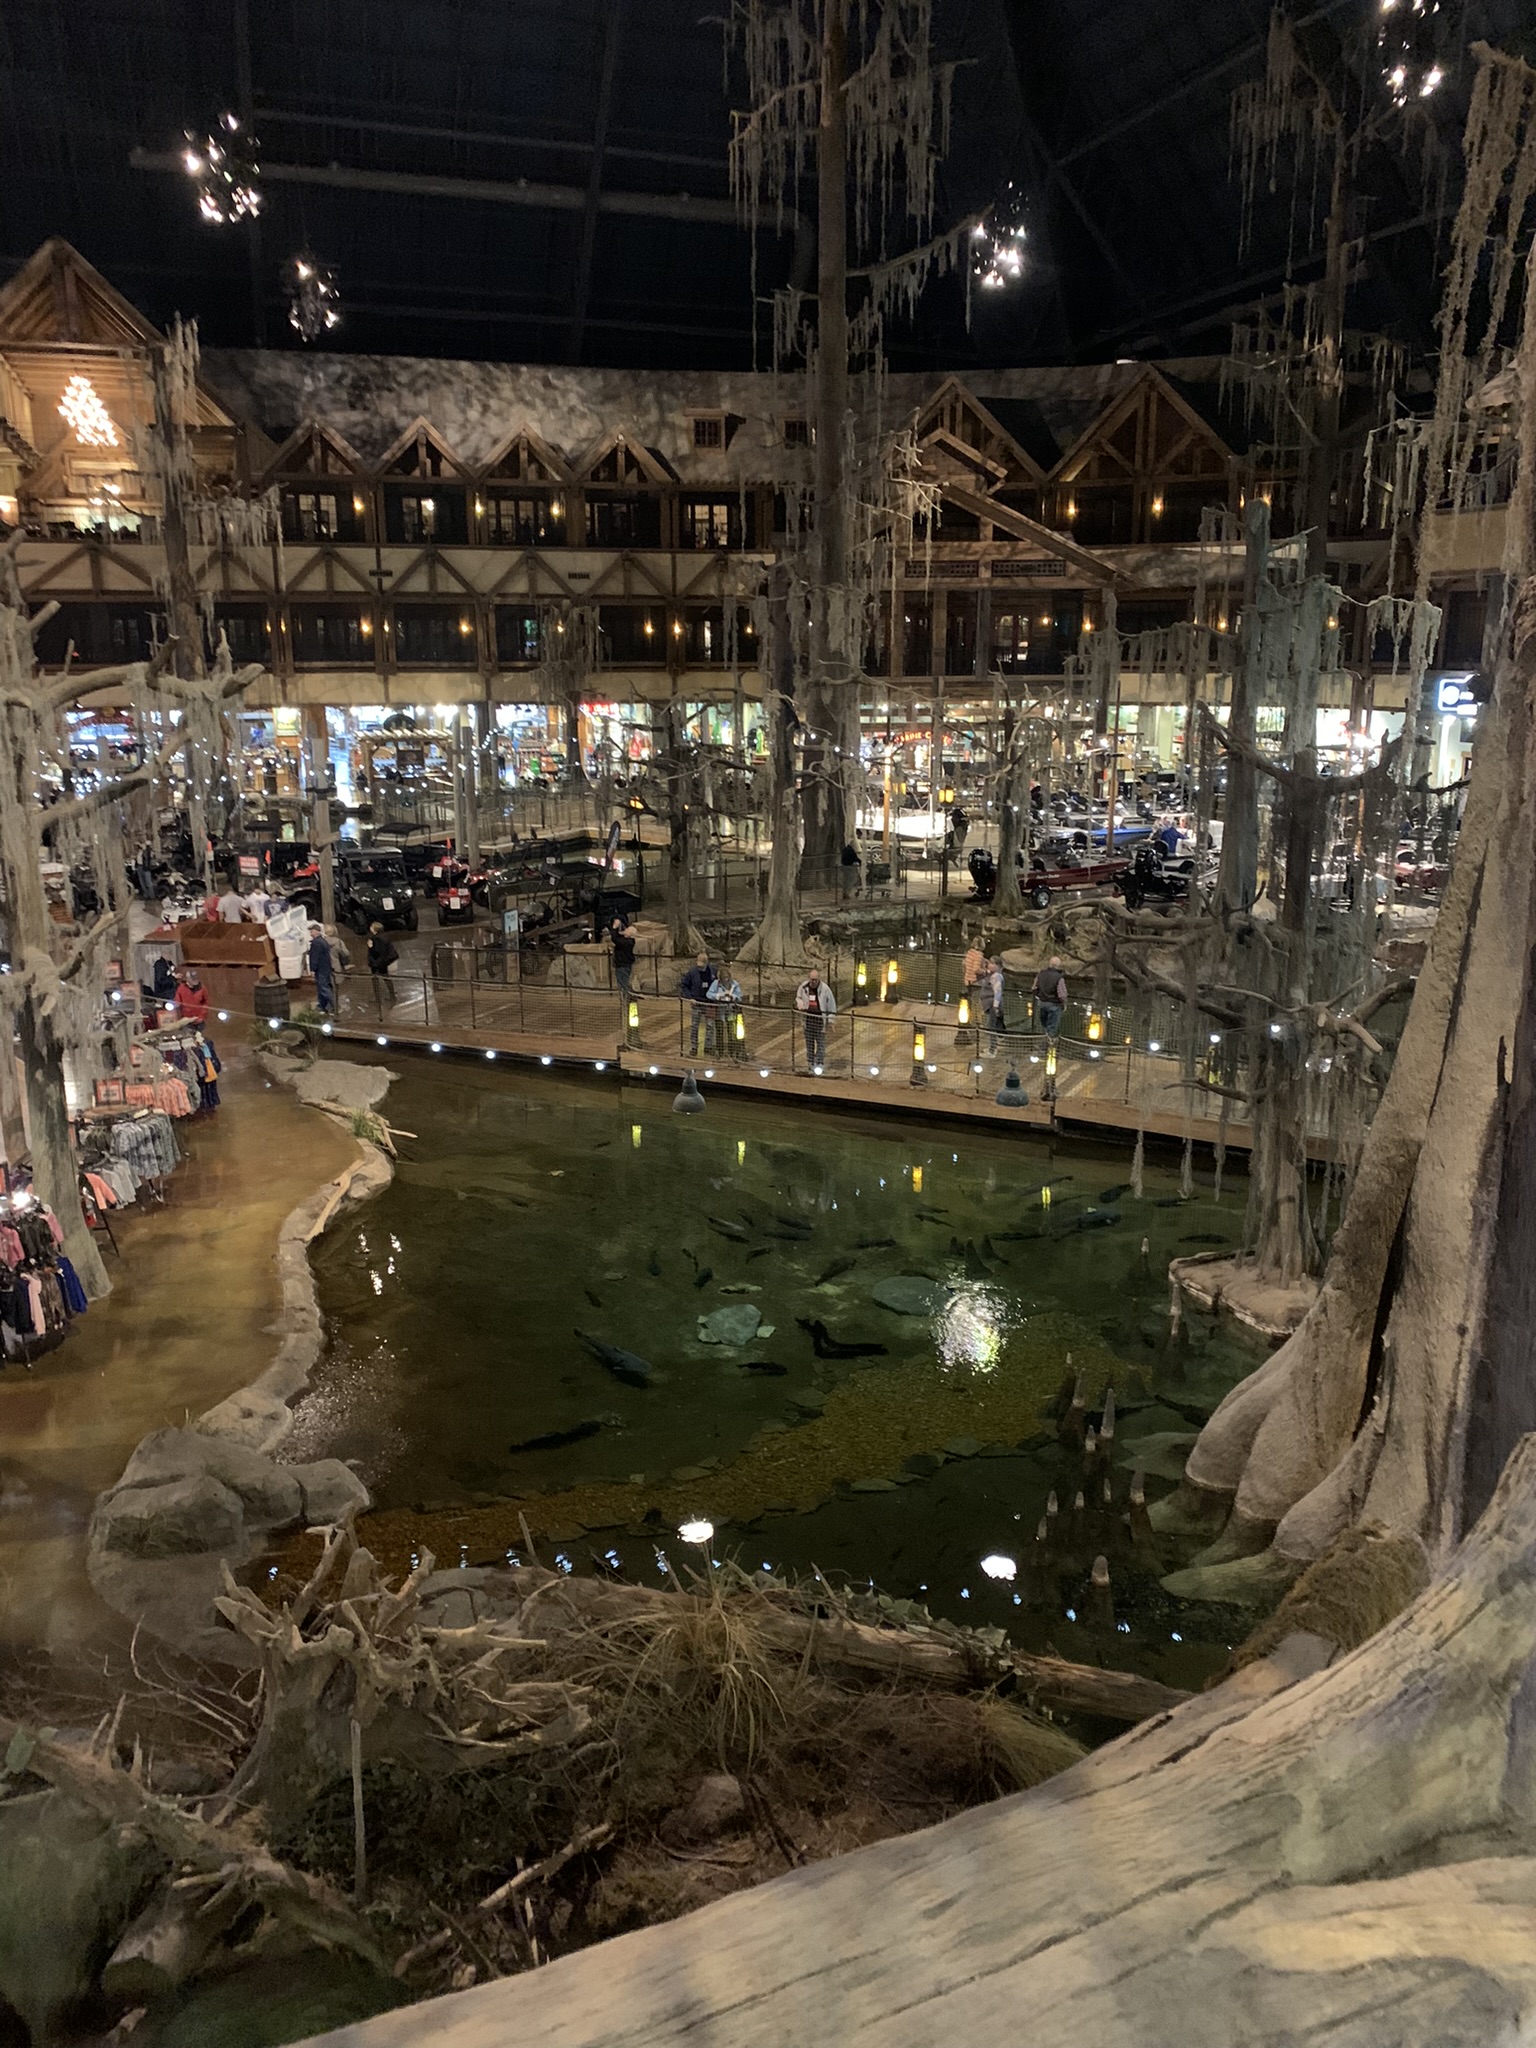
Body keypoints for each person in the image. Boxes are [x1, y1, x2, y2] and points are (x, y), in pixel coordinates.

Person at [795, 968, 836, 1071]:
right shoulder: (803, 987)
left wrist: (831, 1021)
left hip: (820, 1021)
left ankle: (819, 1063)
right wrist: (800, 1004)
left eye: (815, 979)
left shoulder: (825, 989)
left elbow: (831, 1005)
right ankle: (810, 1062)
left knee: (821, 1044)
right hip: (808, 1020)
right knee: (809, 1043)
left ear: (819, 979)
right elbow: (798, 997)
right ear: (809, 978)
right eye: (812, 979)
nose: (813, 982)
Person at [680, 951, 716, 1058]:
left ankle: (708, 1046)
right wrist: (690, 997)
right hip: (696, 1003)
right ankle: (694, 1047)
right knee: (695, 1025)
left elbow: (717, 984)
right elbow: (684, 985)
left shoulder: (713, 971)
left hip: (709, 1003)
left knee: (710, 1025)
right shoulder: (692, 972)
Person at [708, 967, 744, 1059]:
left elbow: (740, 996)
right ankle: (720, 1051)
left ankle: (731, 1051)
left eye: (727, 978)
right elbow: (708, 994)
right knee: (719, 1031)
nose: (726, 980)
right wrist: (719, 996)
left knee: (731, 1031)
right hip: (719, 1012)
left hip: (731, 1011)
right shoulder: (716, 984)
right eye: (724, 978)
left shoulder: (734, 984)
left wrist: (733, 997)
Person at [1033, 955, 1067, 1038]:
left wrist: (1038, 996)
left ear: (1049, 963)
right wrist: (1064, 1004)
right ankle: (1048, 1042)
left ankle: (1043, 1041)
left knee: (1043, 1026)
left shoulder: (1041, 974)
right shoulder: (1059, 977)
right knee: (1051, 1028)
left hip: (1042, 1003)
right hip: (1054, 1004)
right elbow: (1062, 995)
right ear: (1058, 965)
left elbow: (1034, 988)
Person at [367, 922, 399, 1009]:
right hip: (382, 962)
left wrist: (370, 947)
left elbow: (377, 951)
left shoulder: (376, 939)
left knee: (375, 979)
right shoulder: (384, 937)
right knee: (386, 978)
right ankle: (391, 995)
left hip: (377, 962)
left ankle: (377, 998)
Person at [307, 921, 336, 1013]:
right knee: (322, 988)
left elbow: (315, 957)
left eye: (312, 931)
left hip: (321, 969)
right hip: (325, 968)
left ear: (316, 931)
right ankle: (322, 1005)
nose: (310, 934)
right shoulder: (322, 941)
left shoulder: (317, 943)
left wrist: (313, 969)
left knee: (323, 988)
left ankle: (334, 1006)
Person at [609, 916, 638, 999]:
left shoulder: (627, 942)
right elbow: (617, 936)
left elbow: (615, 939)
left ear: (630, 934)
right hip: (622, 965)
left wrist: (614, 927)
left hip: (623, 966)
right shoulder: (626, 940)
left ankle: (627, 998)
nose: (626, 929)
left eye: (628, 930)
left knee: (623, 984)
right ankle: (625, 998)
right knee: (621, 983)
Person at [985, 956, 1005, 1054]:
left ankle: (992, 1050)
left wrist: (995, 1006)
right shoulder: (992, 975)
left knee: (992, 1027)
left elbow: (997, 992)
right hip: (992, 1004)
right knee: (993, 1025)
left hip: (994, 1005)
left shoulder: (997, 977)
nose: (990, 965)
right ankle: (993, 1046)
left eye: (992, 963)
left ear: (998, 966)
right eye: (989, 963)